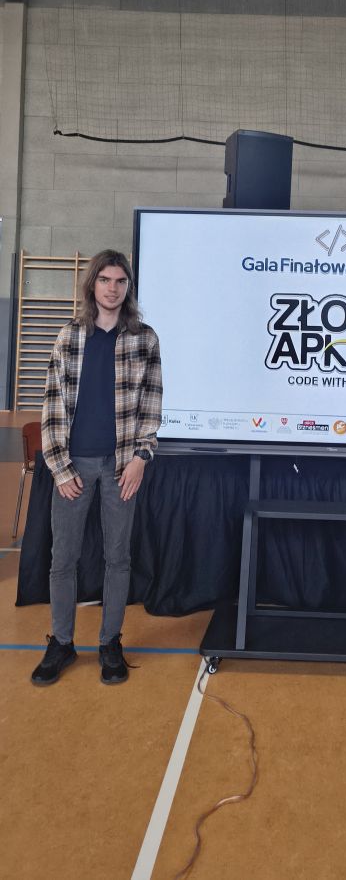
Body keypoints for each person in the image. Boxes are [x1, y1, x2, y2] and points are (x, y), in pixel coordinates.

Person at [31, 249, 162, 687]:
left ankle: (110, 644)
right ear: (92, 285)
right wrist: (59, 468)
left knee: (118, 558)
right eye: (105, 279)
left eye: (120, 281)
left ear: (128, 288)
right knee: (63, 559)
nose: (112, 288)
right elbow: (51, 405)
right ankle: (62, 643)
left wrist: (141, 458)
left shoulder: (145, 339)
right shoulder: (69, 336)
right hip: (74, 466)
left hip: (121, 467)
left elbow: (152, 405)